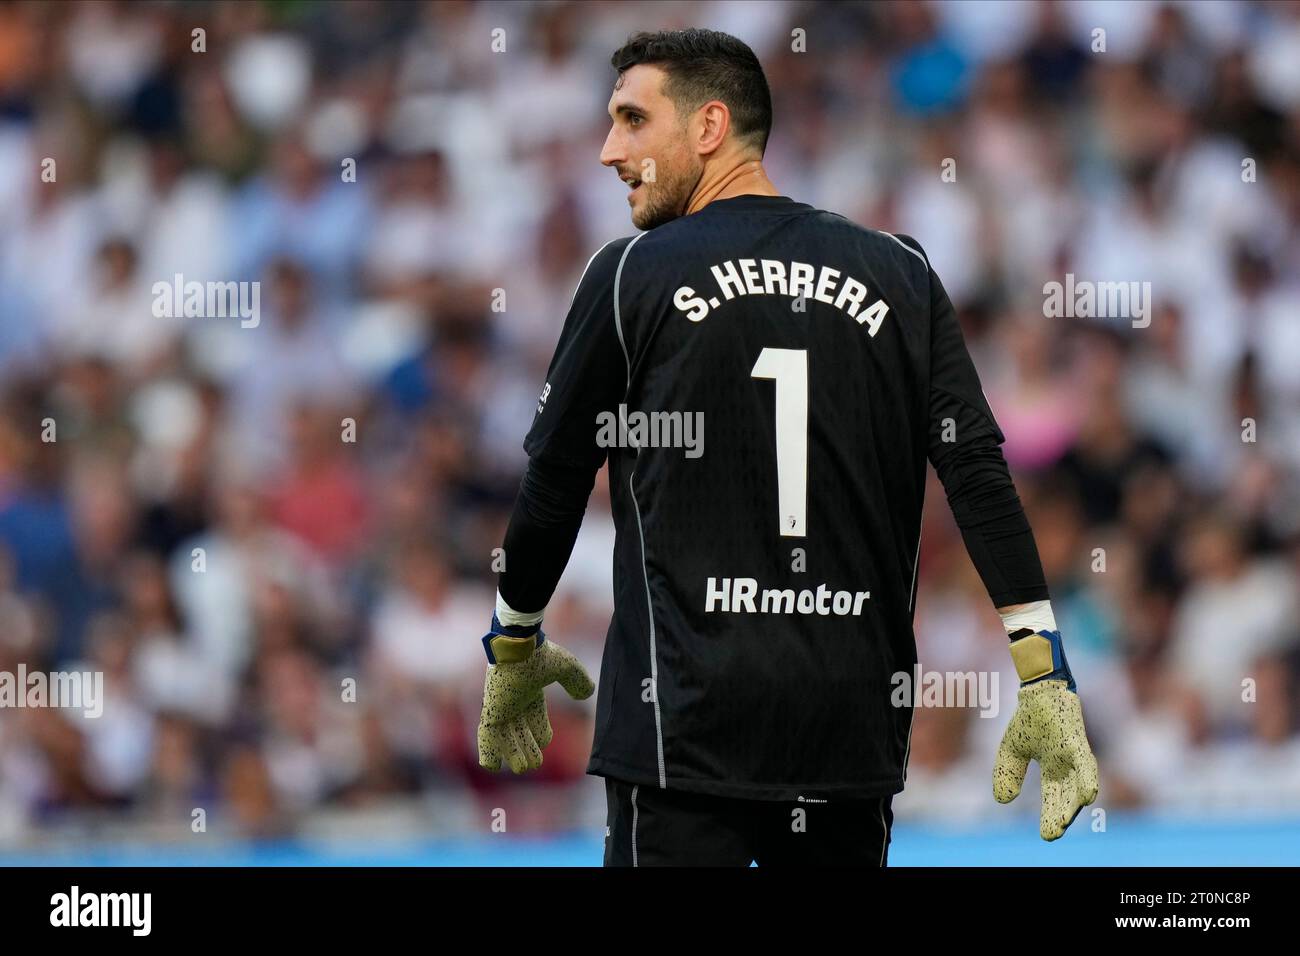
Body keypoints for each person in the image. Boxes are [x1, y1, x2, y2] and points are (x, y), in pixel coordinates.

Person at [476, 28, 1098, 867]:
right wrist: (1042, 673)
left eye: (631, 119)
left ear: (708, 127)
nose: (607, 151)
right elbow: (977, 474)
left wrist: (514, 639)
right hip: (845, 730)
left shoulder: (632, 275)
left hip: (683, 728)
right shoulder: (900, 272)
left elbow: (554, 480)